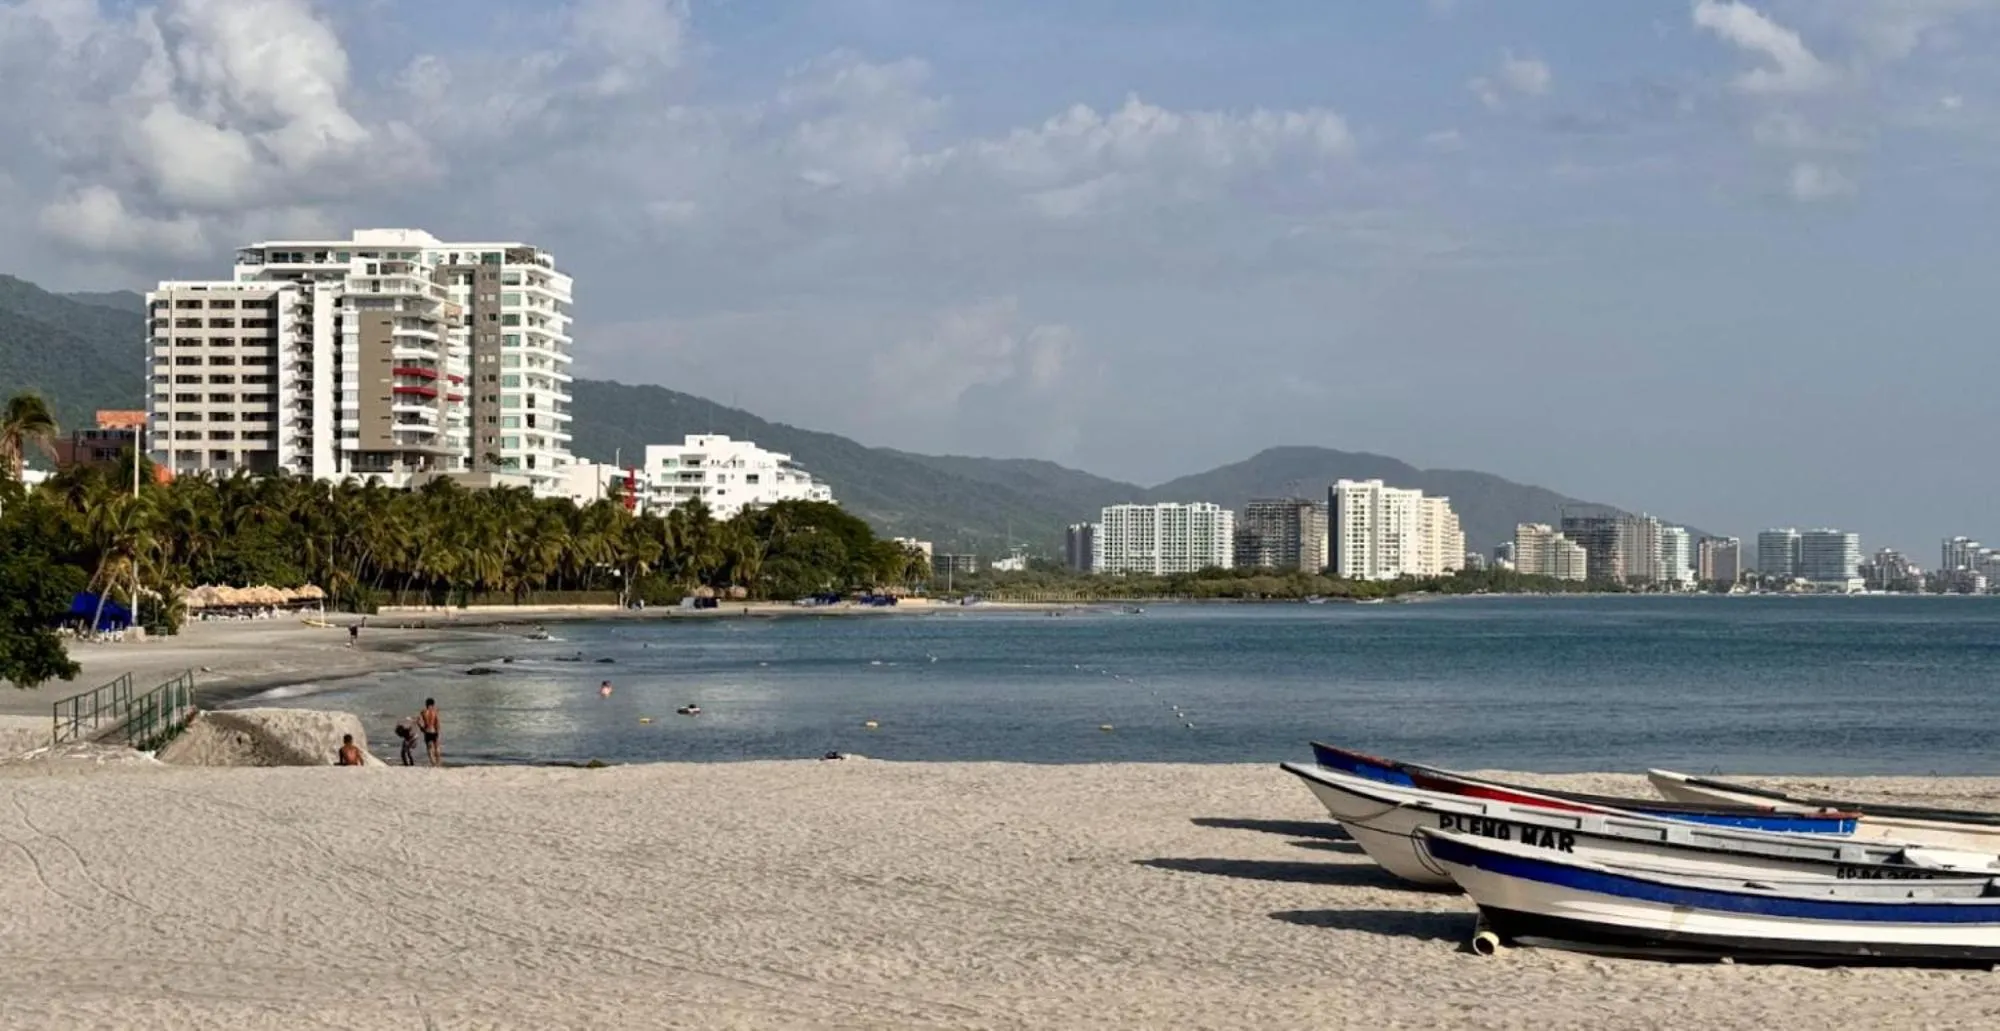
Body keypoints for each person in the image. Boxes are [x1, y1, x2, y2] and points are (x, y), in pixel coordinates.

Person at [419, 697, 441, 767]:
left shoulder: (423, 712)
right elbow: (437, 722)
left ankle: (433, 763)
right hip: (434, 731)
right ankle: (438, 762)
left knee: (429, 748)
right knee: (436, 746)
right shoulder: (435, 711)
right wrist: (438, 731)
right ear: (433, 704)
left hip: (427, 731)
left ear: (426, 704)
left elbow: (418, 722)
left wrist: (422, 728)